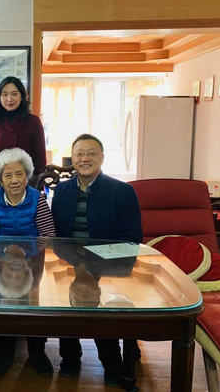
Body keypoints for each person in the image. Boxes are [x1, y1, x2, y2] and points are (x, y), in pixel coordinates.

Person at [51, 133, 142, 385]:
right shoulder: (62, 191)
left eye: (91, 153)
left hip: (110, 265)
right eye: (79, 154)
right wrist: (76, 263)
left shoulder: (122, 191)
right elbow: (57, 237)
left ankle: (112, 363)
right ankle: (70, 357)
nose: (85, 159)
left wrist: (92, 265)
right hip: (71, 262)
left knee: (103, 311)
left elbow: (131, 240)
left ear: (102, 157)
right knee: (66, 303)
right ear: (72, 159)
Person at [0, 147, 55, 376]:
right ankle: (6, 352)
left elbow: (48, 235)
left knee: (35, 304)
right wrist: (5, 253)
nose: (14, 180)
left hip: (33, 262)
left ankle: (37, 352)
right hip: (1, 262)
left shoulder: (37, 199)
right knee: (2, 303)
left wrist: (25, 252)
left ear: (27, 176)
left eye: (19, 174)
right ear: (1, 179)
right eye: (8, 175)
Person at [0, 76, 46, 175]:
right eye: (5, 94)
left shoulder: (34, 122)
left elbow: (40, 160)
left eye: (14, 94)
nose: (9, 99)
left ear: (22, 96)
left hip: (26, 180)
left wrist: (36, 181)